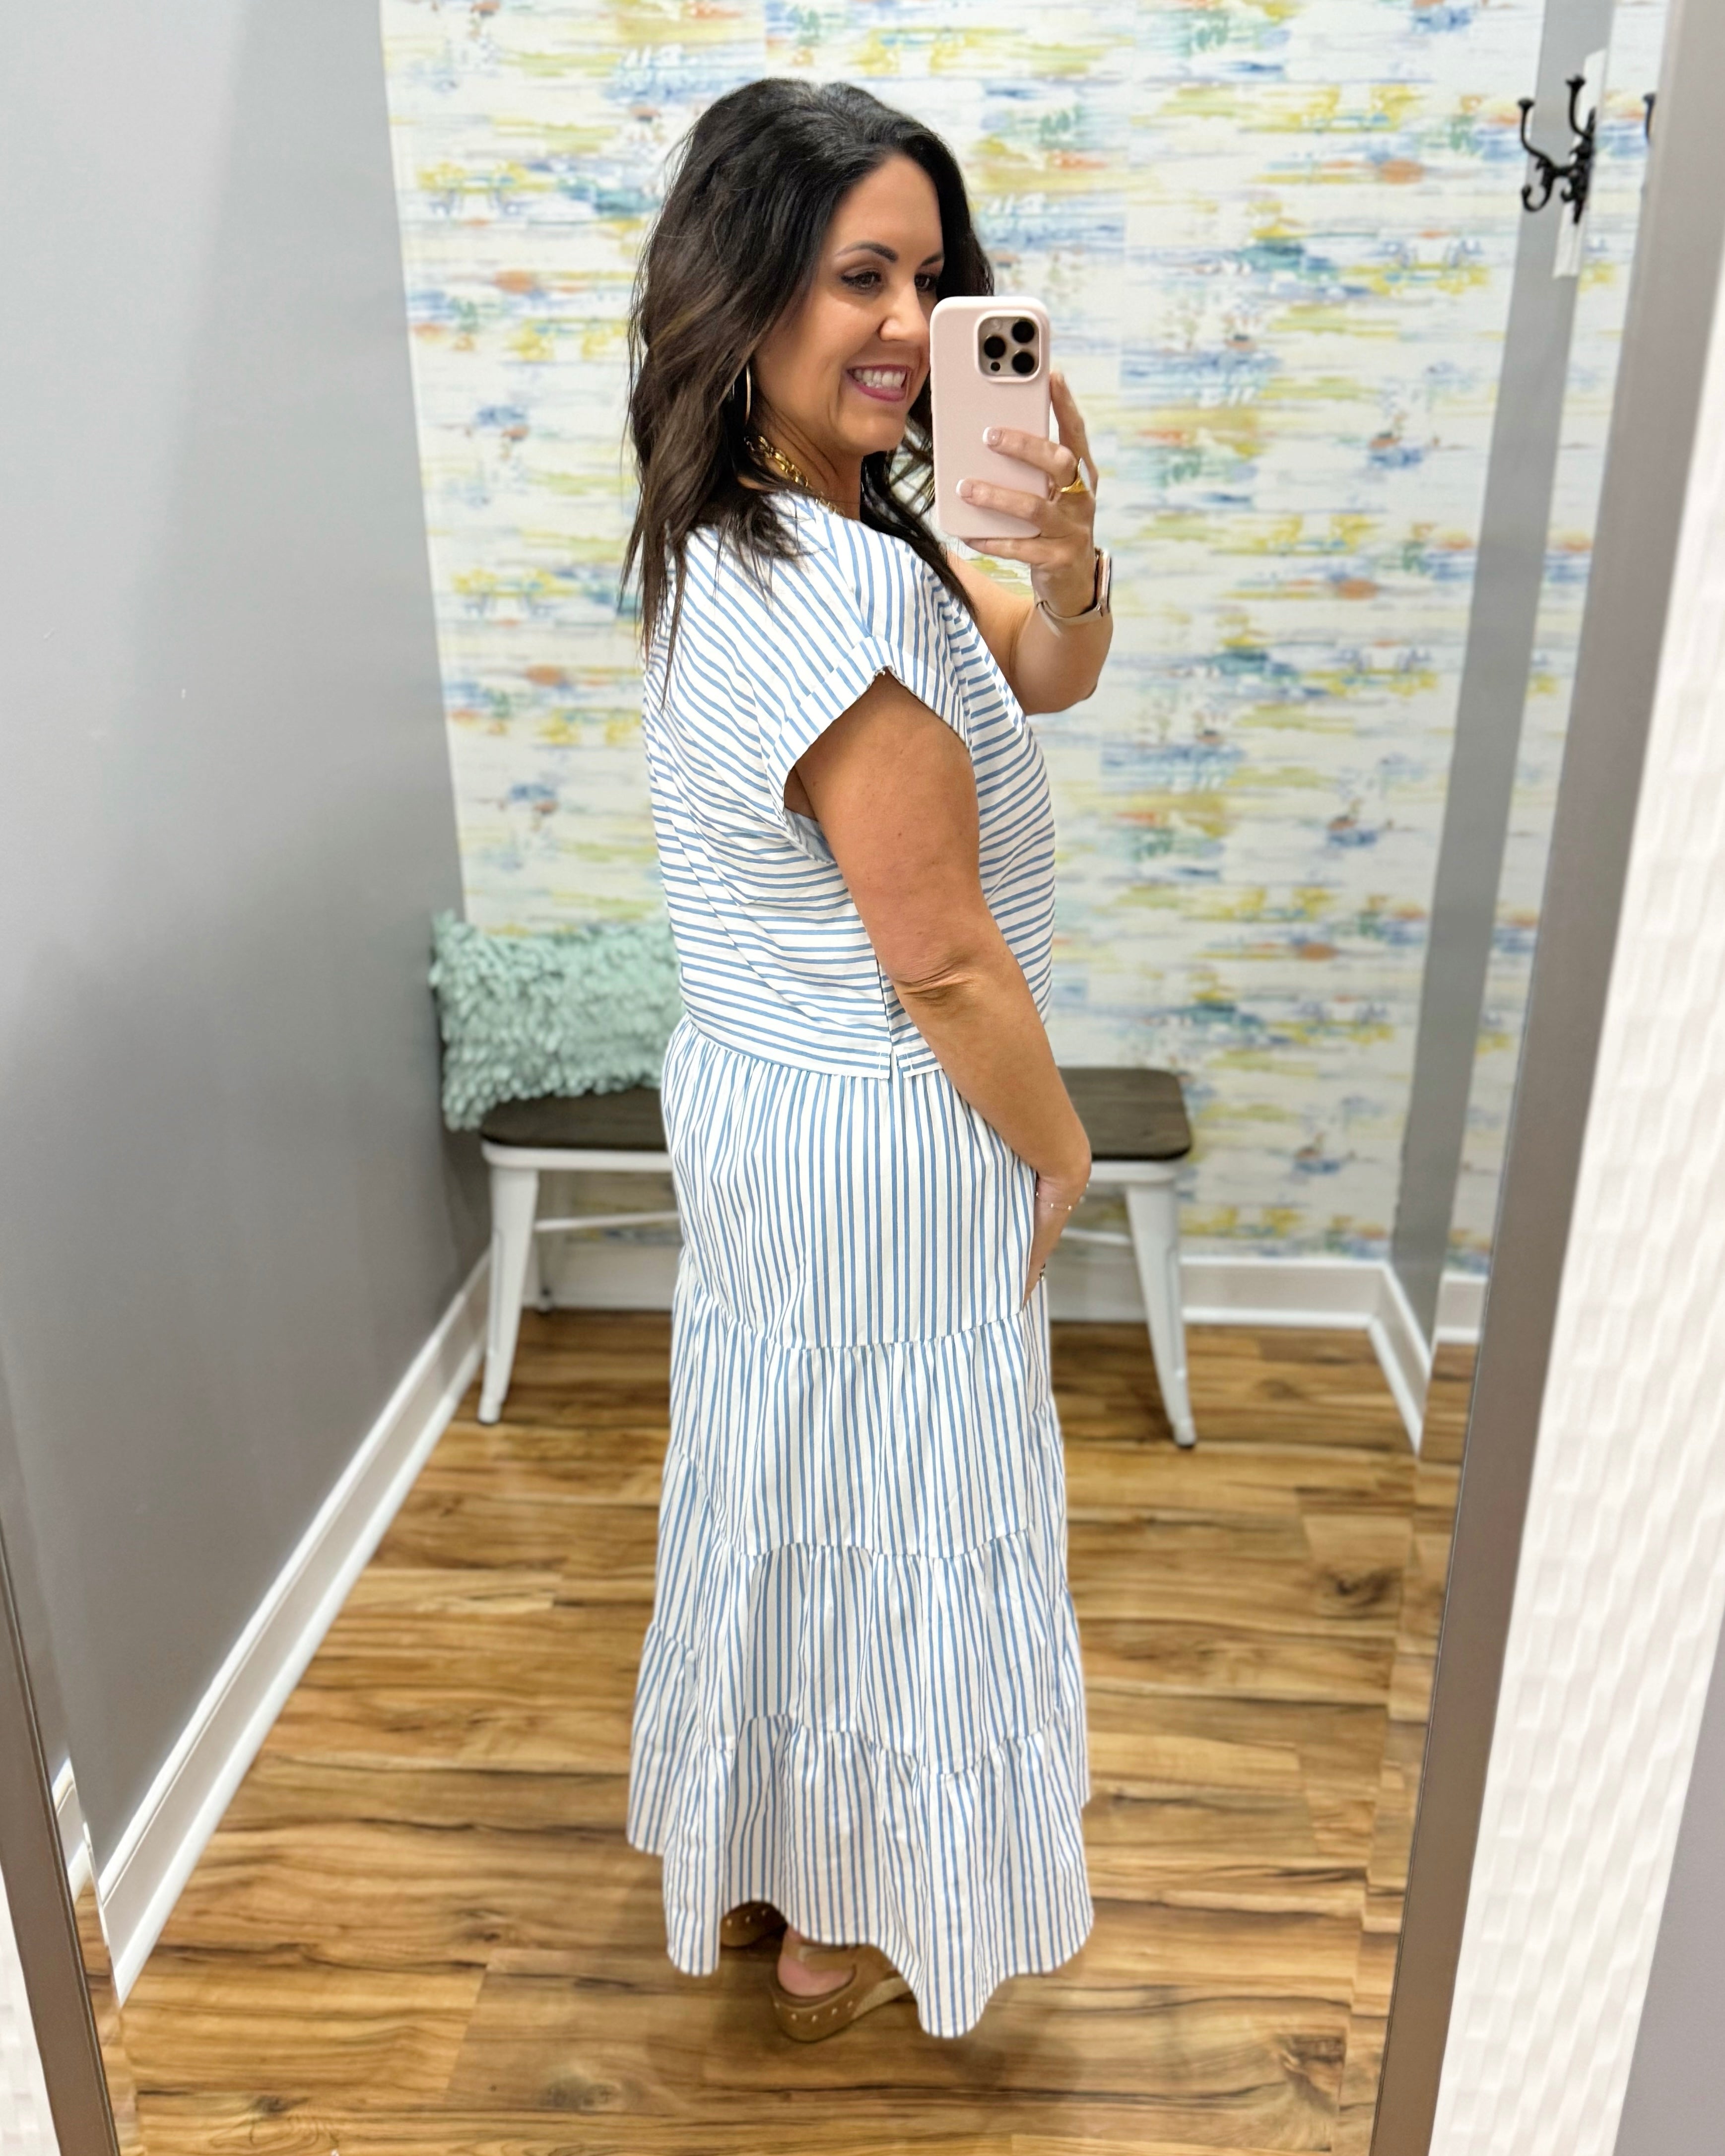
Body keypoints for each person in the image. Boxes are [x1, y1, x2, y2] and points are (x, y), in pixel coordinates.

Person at [621, 76, 1113, 2043]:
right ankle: (838, 1915)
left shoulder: (759, 532)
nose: (910, 323)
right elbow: (941, 958)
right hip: (880, 1130)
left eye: (930, 275)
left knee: (792, 1478)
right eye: (856, 275)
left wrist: (1064, 548)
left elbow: (1047, 658)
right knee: (908, 1505)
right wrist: (1060, 1150)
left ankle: (769, 1844)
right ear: (742, 293)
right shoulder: (841, 593)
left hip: (756, 1108)